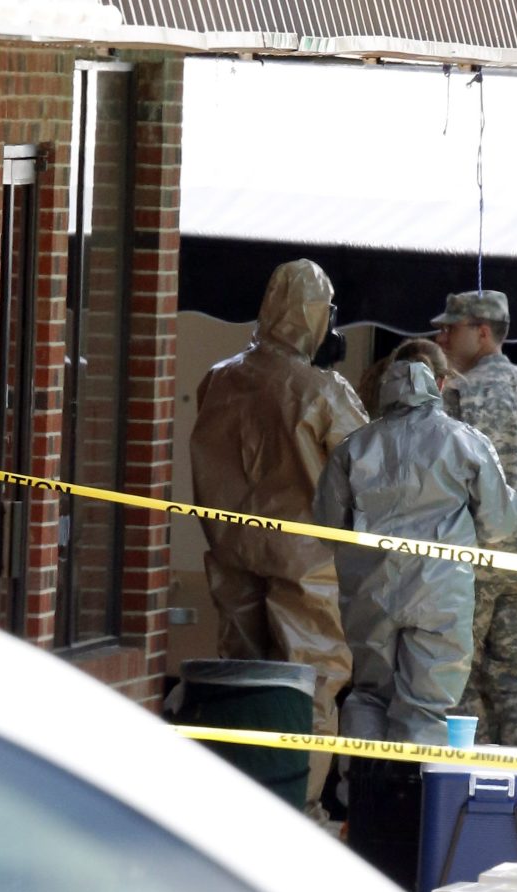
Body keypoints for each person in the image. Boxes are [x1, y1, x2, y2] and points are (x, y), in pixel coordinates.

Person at [190, 258, 368, 808]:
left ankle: (242, 798)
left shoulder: (219, 378)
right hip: (304, 558)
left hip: (230, 548)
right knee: (310, 681)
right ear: (316, 317)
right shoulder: (321, 390)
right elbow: (367, 465)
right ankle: (300, 806)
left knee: (243, 677)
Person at [314, 338, 517, 745]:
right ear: (439, 383)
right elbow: (499, 525)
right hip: (440, 596)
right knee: (425, 706)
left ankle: (365, 798)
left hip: (369, 593)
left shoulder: (353, 447)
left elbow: (326, 525)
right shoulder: (468, 442)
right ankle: (414, 804)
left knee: (368, 696)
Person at [431, 289, 517, 746]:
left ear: (483, 333)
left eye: (452, 327)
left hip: (472, 561)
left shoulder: (455, 394)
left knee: (458, 676)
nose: (441, 336)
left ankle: (470, 790)